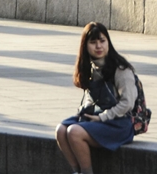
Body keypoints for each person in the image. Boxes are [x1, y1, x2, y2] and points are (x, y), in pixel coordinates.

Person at [56, 23, 137, 174]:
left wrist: (102, 117)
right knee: (61, 130)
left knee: (74, 131)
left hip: (119, 123)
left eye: (102, 41)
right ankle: (77, 171)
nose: (98, 46)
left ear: (108, 42)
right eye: (93, 42)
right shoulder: (89, 67)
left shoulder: (121, 69)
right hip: (96, 118)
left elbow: (128, 103)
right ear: (85, 46)